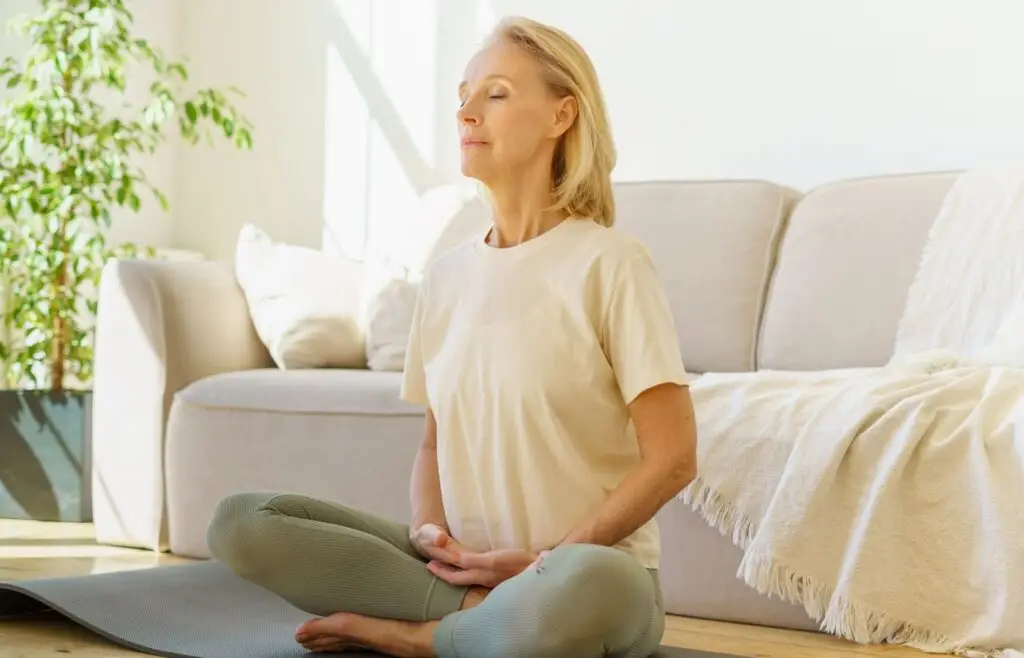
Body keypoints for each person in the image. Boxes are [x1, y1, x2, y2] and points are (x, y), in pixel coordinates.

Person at [205, 15, 698, 658]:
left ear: (562, 115)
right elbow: (433, 444)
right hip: (462, 575)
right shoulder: (444, 277)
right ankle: (481, 621)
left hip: (589, 577)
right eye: (463, 96)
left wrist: (547, 562)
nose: (466, 113)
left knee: (587, 583)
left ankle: (417, 637)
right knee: (243, 523)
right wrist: (430, 533)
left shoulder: (612, 264)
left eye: (496, 94)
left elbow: (673, 458)